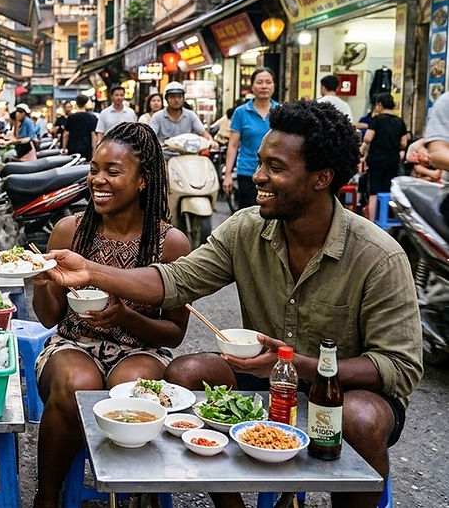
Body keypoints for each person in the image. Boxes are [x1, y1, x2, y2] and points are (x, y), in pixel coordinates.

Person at [43, 100, 423, 508]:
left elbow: (397, 368)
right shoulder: (247, 228)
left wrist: (295, 364)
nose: (258, 176)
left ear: (321, 178)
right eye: (259, 163)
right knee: (184, 373)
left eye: (275, 168)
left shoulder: (378, 255)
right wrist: (91, 271)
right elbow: (175, 280)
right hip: (262, 375)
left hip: (339, 387)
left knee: (360, 419)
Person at [31, 122, 191, 507]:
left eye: (113, 172)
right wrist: (39, 281)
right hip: (71, 345)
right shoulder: (69, 230)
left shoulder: (170, 243)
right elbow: (49, 318)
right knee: (77, 383)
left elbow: (173, 334)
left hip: (141, 350)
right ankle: (47, 498)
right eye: (94, 170)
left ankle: (141, 495)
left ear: (142, 180)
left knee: (133, 389)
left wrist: (125, 318)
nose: (98, 180)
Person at [224, 68, 278, 209]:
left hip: (275, 173)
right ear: (252, 86)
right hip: (247, 172)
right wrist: (228, 174)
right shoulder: (240, 112)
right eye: (259, 82)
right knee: (249, 215)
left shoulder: (281, 111)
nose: (264, 86)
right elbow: (233, 145)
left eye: (268, 82)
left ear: (274, 86)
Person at [359, 93, 407, 221]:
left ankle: (373, 222)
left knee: (374, 191)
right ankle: (388, 218)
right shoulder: (399, 121)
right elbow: (403, 143)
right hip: (393, 161)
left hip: (376, 160)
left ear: (380, 105)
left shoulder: (377, 120)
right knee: (388, 189)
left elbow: (368, 138)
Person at [148, 82, 215, 146]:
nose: (176, 100)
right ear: (166, 99)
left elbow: (203, 133)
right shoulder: (157, 117)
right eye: (173, 97)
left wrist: (211, 141)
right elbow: (150, 137)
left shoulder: (191, 115)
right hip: (164, 154)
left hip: (187, 154)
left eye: (179, 97)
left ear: (183, 99)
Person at [61, 94, 99, 160]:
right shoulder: (92, 118)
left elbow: (66, 134)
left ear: (76, 103)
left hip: (73, 149)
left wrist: (64, 148)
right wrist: (94, 151)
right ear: (86, 103)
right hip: (87, 149)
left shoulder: (71, 117)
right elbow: (93, 136)